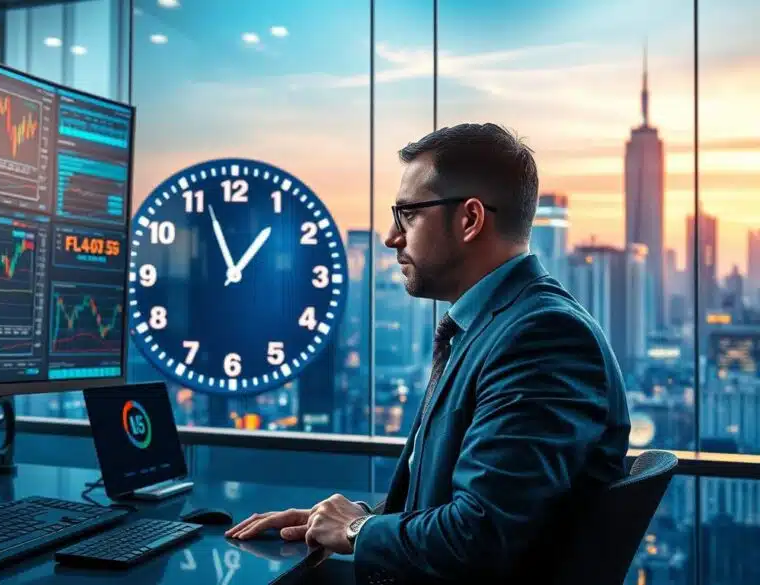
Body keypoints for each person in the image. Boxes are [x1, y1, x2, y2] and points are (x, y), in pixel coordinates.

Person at [225, 123, 631, 584]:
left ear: (471, 219)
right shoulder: (494, 326)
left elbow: (482, 534)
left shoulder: (542, 337)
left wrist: (357, 530)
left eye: (408, 215)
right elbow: (457, 504)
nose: (392, 238)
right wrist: (341, 521)